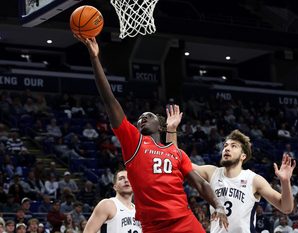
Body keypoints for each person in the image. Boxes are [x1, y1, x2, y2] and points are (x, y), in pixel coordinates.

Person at [76, 36, 228, 233]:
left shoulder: (177, 153)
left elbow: (200, 183)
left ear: (160, 125)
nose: (142, 118)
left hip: (184, 221)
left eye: (148, 116)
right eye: (139, 118)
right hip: (154, 227)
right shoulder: (134, 143)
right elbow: (110, 100)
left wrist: (219, 205)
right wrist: (95, 58)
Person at [166, 107, 296, 233]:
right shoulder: (211, 172)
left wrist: (285, 181)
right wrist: (171, 129)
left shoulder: (254, 180)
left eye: (233, 146)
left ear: (243, 156)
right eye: (225, 146)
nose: (227, 149)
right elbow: (176, 161)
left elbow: (286, 208)